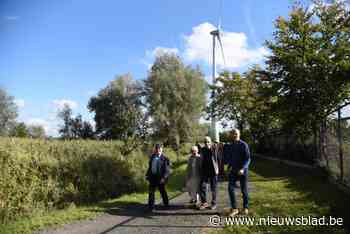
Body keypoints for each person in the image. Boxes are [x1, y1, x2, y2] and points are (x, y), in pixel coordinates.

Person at [223, 129, 251, 216]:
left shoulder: (244, 145)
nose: (234, 135)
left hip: (243, 171)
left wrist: (243, 168)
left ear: (239, 134)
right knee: (230, 188)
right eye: (233, 134)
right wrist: (228, 168)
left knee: (244, 190)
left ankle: (245, 207)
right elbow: (231, 158)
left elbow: (248, 159)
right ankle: (234, 208)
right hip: (233, 171)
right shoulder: (231, 145)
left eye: (236, 134)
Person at [146, 144, 171, 211]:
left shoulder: (165, 159)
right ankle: (151, 207)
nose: (158, 150)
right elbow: (150, 167)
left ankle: (166, 203)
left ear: (162, 150)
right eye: (157, 149)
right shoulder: (152, 157)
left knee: (162, 191)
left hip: (161, 178)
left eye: (159, 149)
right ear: (155, 150)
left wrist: (164, 178)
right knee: (151, 192)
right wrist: (147, 175)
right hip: (153, 177)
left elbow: (167, 170)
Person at [198, 136, 219, 210]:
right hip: (205, 171)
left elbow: (218, 158)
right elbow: (200, 159)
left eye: (208, 142)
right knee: (202, 186)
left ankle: (214, 203)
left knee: (214, 188)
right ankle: (204, 203)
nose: (207, 143)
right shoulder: (202, 150)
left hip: (213, 171)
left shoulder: (214, 149)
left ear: (211, 142)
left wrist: (219, 169)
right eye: (205, 142)